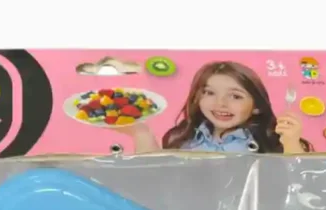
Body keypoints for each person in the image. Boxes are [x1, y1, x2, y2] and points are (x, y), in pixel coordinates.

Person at [123, 61, 312, 155]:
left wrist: (291, 143)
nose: (220, 103)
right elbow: (155, 179)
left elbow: (298, 185)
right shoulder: (182, 140)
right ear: (197, 98)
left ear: (256, 106)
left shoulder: (270, 144)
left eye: (235, 96)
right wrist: (141, 133)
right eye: (210, 93)